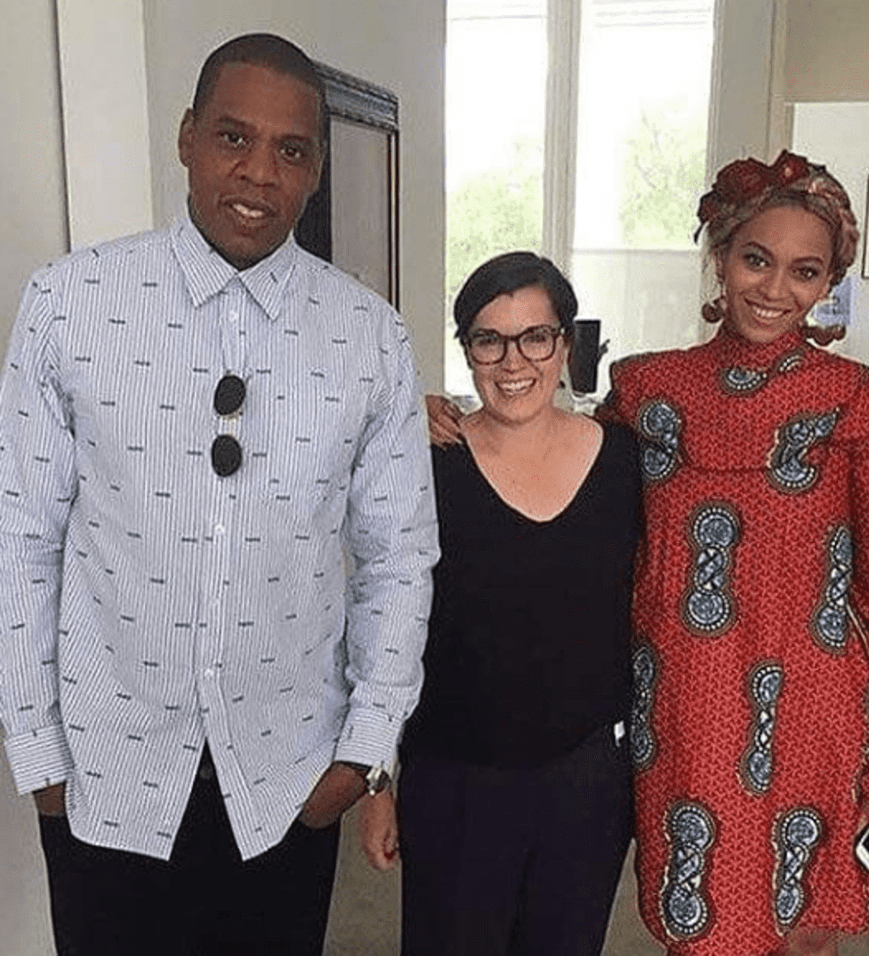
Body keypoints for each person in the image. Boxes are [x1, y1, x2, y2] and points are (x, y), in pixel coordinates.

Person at [0, 33, 437, 956]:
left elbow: (400, 555)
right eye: (234, 138)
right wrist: (38, 755)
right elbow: (21, 536)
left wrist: (362, 751)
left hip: (286, 781)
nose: (260, 172)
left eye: (291, 150)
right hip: (103, 775)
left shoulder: (369, 338)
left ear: (315, 172)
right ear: (188, 136)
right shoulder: (69, 305)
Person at [598, 151, 869, 956]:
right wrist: (460, 430)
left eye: (805, 271)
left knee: (804, 932)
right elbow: (566, 514)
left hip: (817, 714)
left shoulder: (861, 403)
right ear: (721, 255)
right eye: (756, 259)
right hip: (683, 712)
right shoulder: (642, 393)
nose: (774, 290)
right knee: (697, 930)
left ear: (829, 279)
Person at [360, 252, 640, 956]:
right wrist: (375, 778)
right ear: (467, 351)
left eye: (535, 336)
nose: (513, 361)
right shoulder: (427, 466)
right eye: (489, 339)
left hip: (585, 785)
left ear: (566, 344)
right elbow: (381, 623)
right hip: (454, 781)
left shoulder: (625, 464)